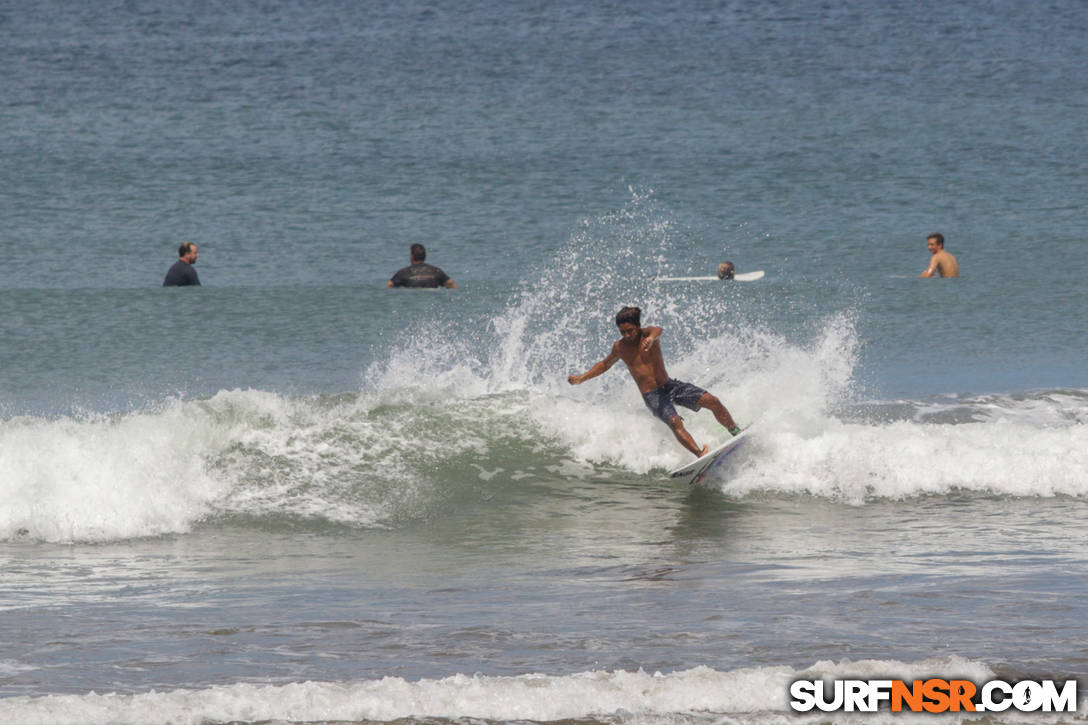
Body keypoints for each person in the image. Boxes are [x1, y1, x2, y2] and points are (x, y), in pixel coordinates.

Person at [568, 306, 741, 457]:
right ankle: (700, 453)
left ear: (638, 326)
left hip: (670, 385)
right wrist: (582, 378)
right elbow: (604, 364)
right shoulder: (620, 347)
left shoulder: (648, 334)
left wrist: (651, 340)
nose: (627, 335)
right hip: (653, 396)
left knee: (713, 401)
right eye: (622, 332)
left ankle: (735, 431)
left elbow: (658, 330)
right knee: (674, 422)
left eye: (630, 330)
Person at [387, 244, 457, 288]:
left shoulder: (403, 273)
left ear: (412, 256)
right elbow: (452, 284)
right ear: (425, 256)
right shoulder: (436, 271)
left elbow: (389, 285)